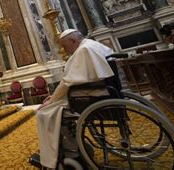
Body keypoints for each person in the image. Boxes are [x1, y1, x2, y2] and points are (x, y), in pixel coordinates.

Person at [32, 29, 114, 169]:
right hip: (97, 92)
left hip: (89, 97)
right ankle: (74, 147)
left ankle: (71, 153)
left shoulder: (83, 51)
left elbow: (68, 82)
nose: (63, 50)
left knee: (44, 113)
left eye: (64, 46)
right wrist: (55, 97)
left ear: (73, 41)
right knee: (52, 109)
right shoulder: (92, 45)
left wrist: (52, 100)